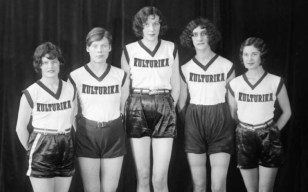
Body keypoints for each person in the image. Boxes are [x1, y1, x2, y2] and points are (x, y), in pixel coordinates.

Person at [121, 6, 180, 192]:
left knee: (160, 177)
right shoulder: (129, 50)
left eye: (155, 23)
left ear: (160, 25)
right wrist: (124, 111)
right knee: (143, 174)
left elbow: (176, 83)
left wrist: (170, 107)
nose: (152, 28)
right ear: (140, 27)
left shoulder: (171, 48)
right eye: (147, 24)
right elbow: (124, 87)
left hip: (164, 101)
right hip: (137, 103)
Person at [68, 27, 129, 192]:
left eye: (103, 45)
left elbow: (124, 108)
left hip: (114, 133)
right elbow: (72, 113)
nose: (99, 50)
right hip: (87, 133)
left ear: (110, 47)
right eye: (95, 46)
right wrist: (82, 131)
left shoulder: (121, 75)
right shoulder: (76, 76)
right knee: (92, 189)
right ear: (87, 48)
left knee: (110, 189)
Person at [227, 37, 291, 192]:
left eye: (254, 54)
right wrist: (246, 127)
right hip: (244, 135)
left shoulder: (275, 81)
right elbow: (233, 113)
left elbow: (287, 112)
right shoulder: (234, 83)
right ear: (241, 56)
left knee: (265, 190)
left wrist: (272, 131)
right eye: (246, 54)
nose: (249, 58)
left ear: (262, 55)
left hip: (268, 135)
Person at [178, 17, 235, 192]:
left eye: (203, 33)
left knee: (218, 186)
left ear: (210, 35)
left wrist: (230, 123)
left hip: (220, 119)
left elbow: (233, 103)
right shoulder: (185, 68)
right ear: (190, 39)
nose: (200, 38)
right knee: (199, 185)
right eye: (195, 35)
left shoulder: (227, 65)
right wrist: (189, 123)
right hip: (194, 120)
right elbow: (181, 102)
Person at [15, 42, 75, 192]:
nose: (50, 66)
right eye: (45, 62)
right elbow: (20, 128)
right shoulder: (32, 92)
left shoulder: (69, 88)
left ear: (59, 63)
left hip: (65, 143)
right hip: (43, 143)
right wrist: (32, 151)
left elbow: (74, 118)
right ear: (39, 66)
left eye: (54, 61)